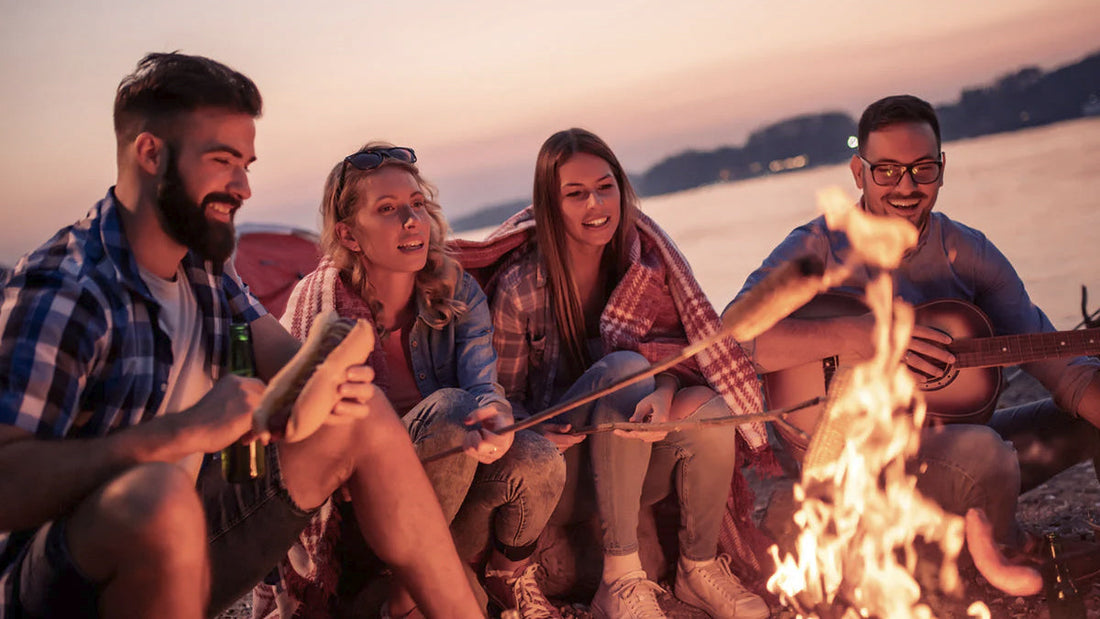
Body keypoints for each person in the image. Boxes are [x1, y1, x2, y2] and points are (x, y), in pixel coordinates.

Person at [0, 53, 481, 618]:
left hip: (194, 540)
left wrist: (327, 376)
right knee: (158, 499)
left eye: (247, 164)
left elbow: (285, 362)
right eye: (223, 161)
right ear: (150, 153)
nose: (244, 187)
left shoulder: (205, 266)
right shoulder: (67, 287)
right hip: (67, 584)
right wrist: (182, 433)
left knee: (363, 411)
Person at [732, 94, 1100, 558]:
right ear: (858, 172)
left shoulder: (970, 254)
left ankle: (965, 536)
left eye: (922, 168)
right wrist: (863, 335)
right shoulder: (818, 247)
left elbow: (1061, 365)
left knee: (1078, 419)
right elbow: (733, 337)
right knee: (985, 450)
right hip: (846, 465)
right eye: (885, 170)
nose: (905, 186)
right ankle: (1007, 552)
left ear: (942, 170)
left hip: (946, 448)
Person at [479, 128, 771, 619]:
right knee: (625, 368)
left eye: (605, 186)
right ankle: (620, 577)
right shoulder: (521, 287)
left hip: (629, 465)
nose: (595, 203)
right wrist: (534, 428)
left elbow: (674, 357)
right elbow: (498, 399)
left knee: (710, 410)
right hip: (558, 472)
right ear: (551, 205)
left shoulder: (641, 265)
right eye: (575, 194)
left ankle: (697, 570)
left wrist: (663, 390)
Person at [271, 142, 566, 618]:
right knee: (451, 412)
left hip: (446, 516)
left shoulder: (458, 290)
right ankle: (405, 601)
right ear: (348, 235)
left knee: (536, 455)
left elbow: (483, 391)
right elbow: (301, 443)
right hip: (360, 527)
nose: (411, 220)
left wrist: (497, 418)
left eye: (417, 205)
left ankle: (494, 583)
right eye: (387, 209)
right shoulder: (323, 308)